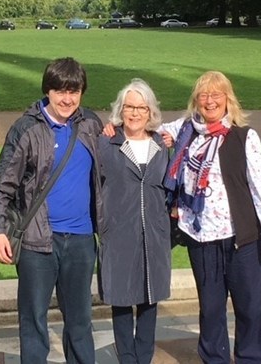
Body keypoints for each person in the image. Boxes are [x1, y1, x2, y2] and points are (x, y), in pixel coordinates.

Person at [0, 57, 103, 364]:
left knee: (80, 321)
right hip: (37, 244)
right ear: (48, 91)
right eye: (60, 90)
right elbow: (0, 186)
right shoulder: (26, 129)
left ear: (82, 93)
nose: (67, 99)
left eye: (74, 91)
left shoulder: (90, 124)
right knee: (34, 319)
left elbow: (114, 165)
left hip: (81, 241)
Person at [161, 71, 261, 364]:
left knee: (249, 306)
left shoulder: (244, 137)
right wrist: (112, 128)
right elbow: (147, 125)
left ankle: (250, 358)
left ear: (228, 100)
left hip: (239, 238)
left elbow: (260, 188)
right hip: (200, 237)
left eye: (217, 95)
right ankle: (213, 358)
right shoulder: (187, 130)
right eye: (204, 95)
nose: (210, 101)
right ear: (196, 101)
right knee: (211, 307)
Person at [98, 79, 171, 364]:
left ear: (150, 111)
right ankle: (127, 357)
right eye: (129, 106)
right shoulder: (106, 142)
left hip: (153, 232)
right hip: (118, 232)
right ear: (121, 109)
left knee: (149, 298)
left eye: (141, 107)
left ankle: (144, 356)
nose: (135, 113)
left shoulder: (161, 144)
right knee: (121, 298)